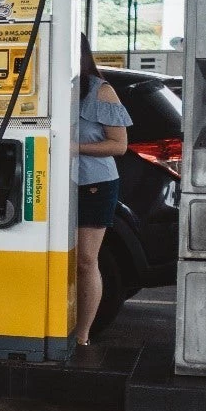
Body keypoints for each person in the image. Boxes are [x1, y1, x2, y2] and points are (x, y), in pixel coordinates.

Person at [75, 34, 131, 346]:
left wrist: (75, 147)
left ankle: (82, 335)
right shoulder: (50, 87)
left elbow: (119, 145)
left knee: (85, 259)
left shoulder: (101, 91)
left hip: (94, 184)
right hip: (54, 185)